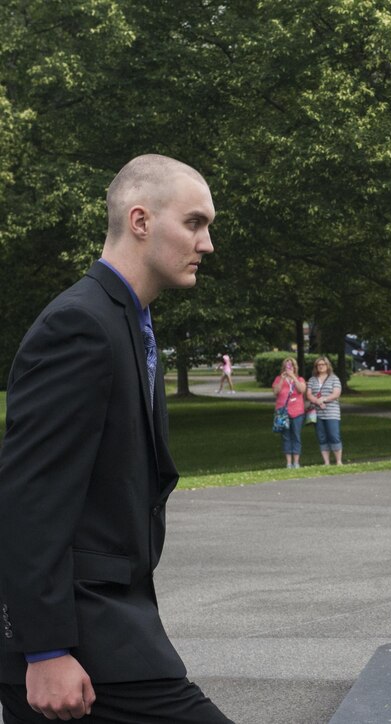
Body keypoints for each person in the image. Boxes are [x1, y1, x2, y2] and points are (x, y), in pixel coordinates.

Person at [0, 155, 232, 722]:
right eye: (195, 223)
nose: (207, 244)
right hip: (81, 638)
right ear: (140, 220)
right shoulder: (80, 326)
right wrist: (46, 648)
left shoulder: (130, 322)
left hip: (108, 628)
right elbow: (28, 498)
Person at [306, 355, 344, 466]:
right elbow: (309, 394)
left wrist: (324, 399)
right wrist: (317, 401)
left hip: (332, 412)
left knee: (334, 435)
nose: (320, 367)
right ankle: (326, 462)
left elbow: (336, 394)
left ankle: (338, 461)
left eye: (323, 364)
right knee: (321, 437)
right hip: (317, 413)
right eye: (318, 365)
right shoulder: (312, 379)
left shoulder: (334, 378)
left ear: (327, 366)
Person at [273, 357, 306, 469]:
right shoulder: (278, 379)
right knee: (286, 437)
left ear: (294, 367)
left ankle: (296, 462)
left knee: (296, 436)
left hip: (297, 412)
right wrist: (282, 379)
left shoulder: (300, 379)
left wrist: (293, 377)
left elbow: (301, 390)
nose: (289, 367)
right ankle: (288, 462)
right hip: (282, 412)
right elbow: (275, 392)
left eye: (291, 365)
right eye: (287, 365)